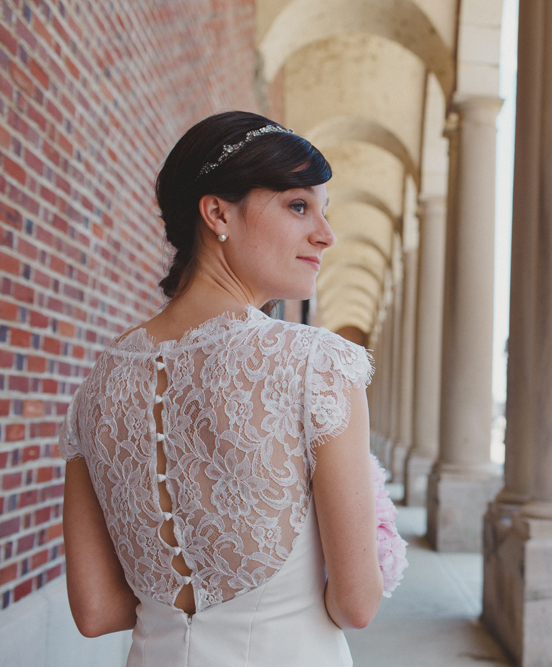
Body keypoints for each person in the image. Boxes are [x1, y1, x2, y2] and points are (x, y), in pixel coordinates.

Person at [58, 111, 407, 666]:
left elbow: (96, 610)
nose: (326, 233)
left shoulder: (96, 388)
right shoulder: (316, 364)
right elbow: (356, 603)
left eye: (323, 211)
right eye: (298, 206)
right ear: (217, 212)